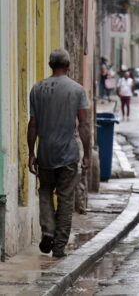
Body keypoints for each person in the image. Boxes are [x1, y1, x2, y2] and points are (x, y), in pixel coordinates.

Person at [27, 48, 91, 258]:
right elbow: (83, 124)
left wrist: (31, 153)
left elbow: (33, 124)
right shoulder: (77, 90)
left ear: (50, 65)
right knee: (65, 199)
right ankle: (59, 246)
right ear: (69, 66)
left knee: (45, 191)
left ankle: (47, 230)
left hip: (45, 153)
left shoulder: (37, 89)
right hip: (68, 155)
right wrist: (88, 153)